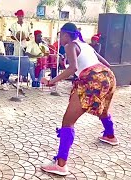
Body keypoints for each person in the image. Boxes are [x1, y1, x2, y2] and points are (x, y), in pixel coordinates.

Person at [40, 23, 118, 175]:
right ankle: (110, 135)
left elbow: (73, 68)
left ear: (67, 36)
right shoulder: (87, 46)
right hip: (108, 76)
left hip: (91, 79)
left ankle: (61, 164)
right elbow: (106, 64)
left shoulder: (70, 45)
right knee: (103, 110)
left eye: (60, 35)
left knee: (67, 122)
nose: (59, 38)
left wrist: (51, 81)